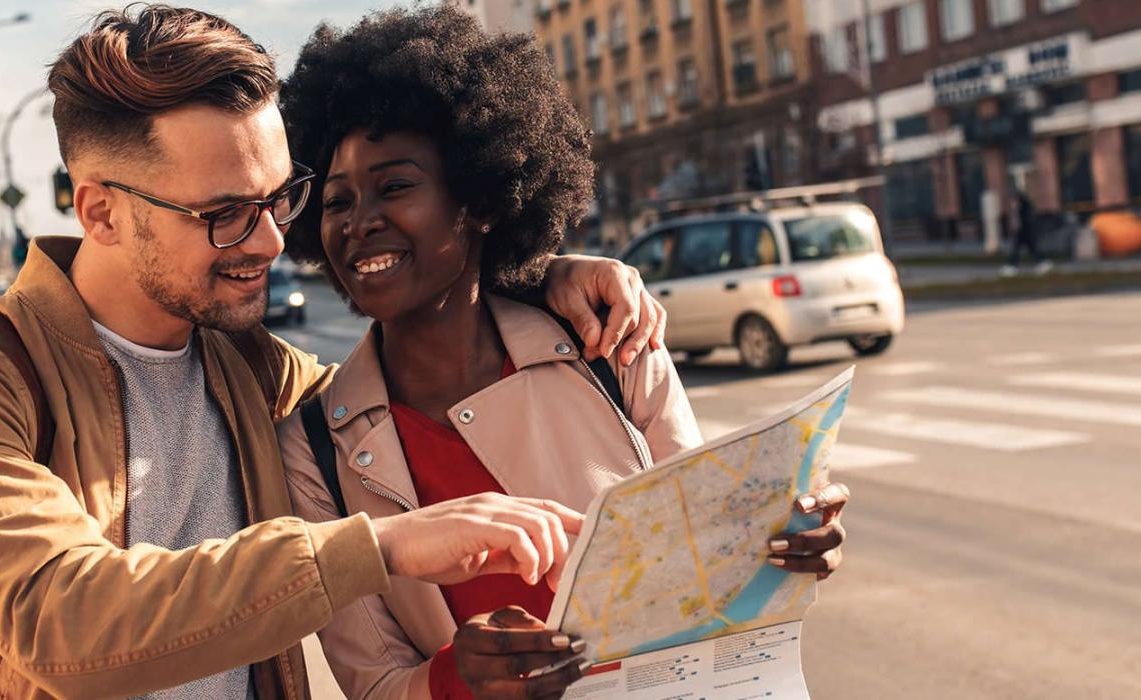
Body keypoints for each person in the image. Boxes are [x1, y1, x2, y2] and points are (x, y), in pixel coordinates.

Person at [0, 5, 672, 698]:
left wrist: (536, 275)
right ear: (101, 213)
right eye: (225, 213)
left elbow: (412, 370)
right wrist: (378, 548)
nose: (274, 239)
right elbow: (60, 618)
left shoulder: (252, 368)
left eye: (281, 196)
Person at [274, 8, 852, 698]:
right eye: (337, 202)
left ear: (481, 198)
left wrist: (784, 544)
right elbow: (374, 685)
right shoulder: (312, 444)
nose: (360, 221)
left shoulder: (609, 342)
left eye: (395, 186)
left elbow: (709, 566)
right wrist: (459, 676)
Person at [1002, 189, 1051, 277]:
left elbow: (1024, 220)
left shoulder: (1023, 206)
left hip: (1025, 232)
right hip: (1024, 232)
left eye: (1013, 199)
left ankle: (1012, 266)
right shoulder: (1021, 206)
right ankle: (1042, 262)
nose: (1012, 201)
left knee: (1020, 249)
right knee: (1029, 249)